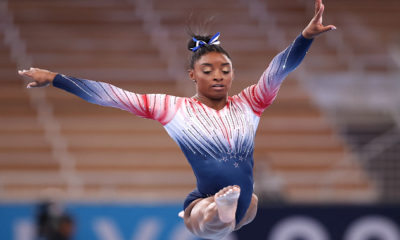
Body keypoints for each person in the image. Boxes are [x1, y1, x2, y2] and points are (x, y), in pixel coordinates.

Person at [19, 0, 335, 238]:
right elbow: (111, 95)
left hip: (241, 206)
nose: (218, 77)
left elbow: (279, 69)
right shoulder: (173, 109)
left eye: (225, 71)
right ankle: (220, 210)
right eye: (208, 71)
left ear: (233, 74)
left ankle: (227, 211)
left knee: (249, 203)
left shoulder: (250, 102)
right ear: (192, 75)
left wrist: (305, 37)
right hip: (203, 202)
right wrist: (56, 78)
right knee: (210, 213)